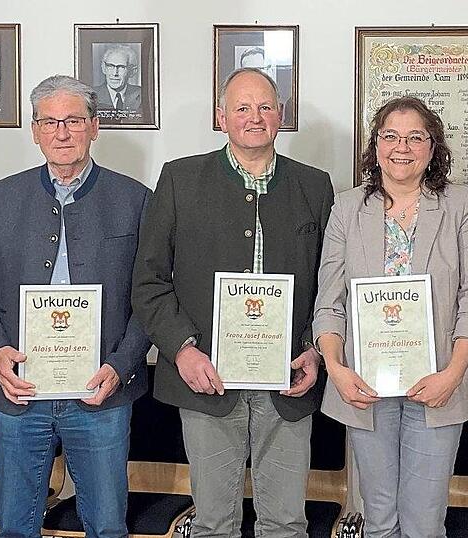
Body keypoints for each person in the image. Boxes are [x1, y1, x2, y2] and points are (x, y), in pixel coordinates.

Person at [132, 67, 333, 537]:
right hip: (207, 378)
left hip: (288, 379)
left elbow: (331, 283)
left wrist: (315, 348)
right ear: (221, 117)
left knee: (286, 524)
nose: (254, 117)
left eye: (265, 107)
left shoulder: (314, 185)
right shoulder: (180, 179)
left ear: (280, 115)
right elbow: (148, 281)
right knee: (213, 524)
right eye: (242, 108)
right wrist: (182, 350)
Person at [0, 75, 151, 538]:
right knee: (14, 527)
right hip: (20, 391)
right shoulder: (1, 197)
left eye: (73, 120)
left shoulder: (134, 198)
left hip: (102, 391)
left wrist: (121, 366)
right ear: (35, 131)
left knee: (107, 527)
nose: (62, 132)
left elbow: (149, 297)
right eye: (49, 122)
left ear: (94, 126)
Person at [313, 96, 468, 536]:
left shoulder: (462, 205)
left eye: (415, 137)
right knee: (378, 518)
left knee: (424, 521)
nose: (402, 147)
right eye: (391, 136)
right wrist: (336, 368)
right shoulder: (346, 209)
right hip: (364, 386)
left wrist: (453, 374)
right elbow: (329, 302)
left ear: (433, 147)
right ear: (375, 145)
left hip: (439, 384)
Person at [93, 44, 142, 111]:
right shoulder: (92, 95)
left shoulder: (141, 94)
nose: (115, 73)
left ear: (132, 71)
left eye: (121, 67)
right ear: (104, 68)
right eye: (110, 66)